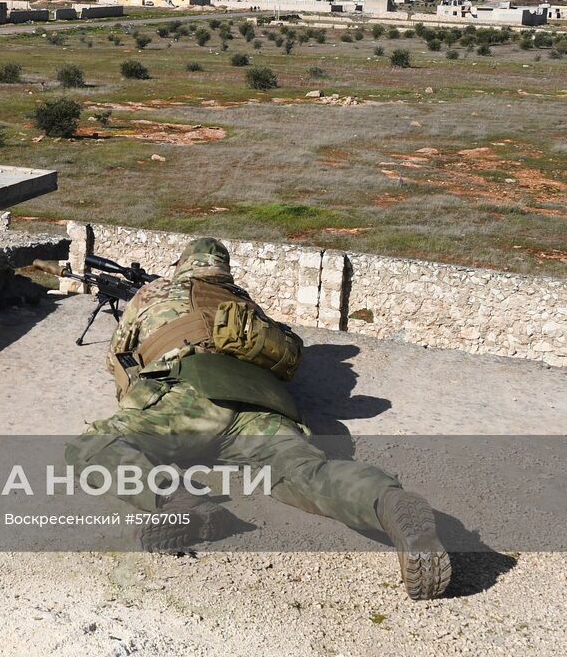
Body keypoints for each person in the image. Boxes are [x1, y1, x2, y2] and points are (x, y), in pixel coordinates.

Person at [65, 237, 451, 600]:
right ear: (223, 272)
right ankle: (388, 503)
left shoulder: (152, 292)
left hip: (189, 397)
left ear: (183, 266)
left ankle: (182, 500)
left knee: (92, 446)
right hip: (265, 407)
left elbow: (117, 358)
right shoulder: (244, 303)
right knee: (306, 474)